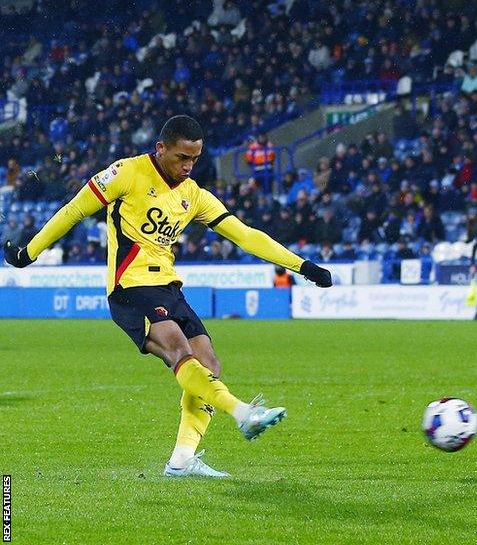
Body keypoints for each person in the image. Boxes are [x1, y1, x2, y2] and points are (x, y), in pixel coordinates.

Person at [3, 116, 333, 477]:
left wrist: (302, 266)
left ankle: (181, 460)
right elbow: (74, 210)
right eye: (181, 157)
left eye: (194, 159)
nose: (188, 167)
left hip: (169, 286)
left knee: (208, 364)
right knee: (179, 349)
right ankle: (243, 413)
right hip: (129, 286)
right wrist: (28, 253)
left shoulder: (193, 195)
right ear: (160, 149)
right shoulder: (126, 173)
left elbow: (246, 235)